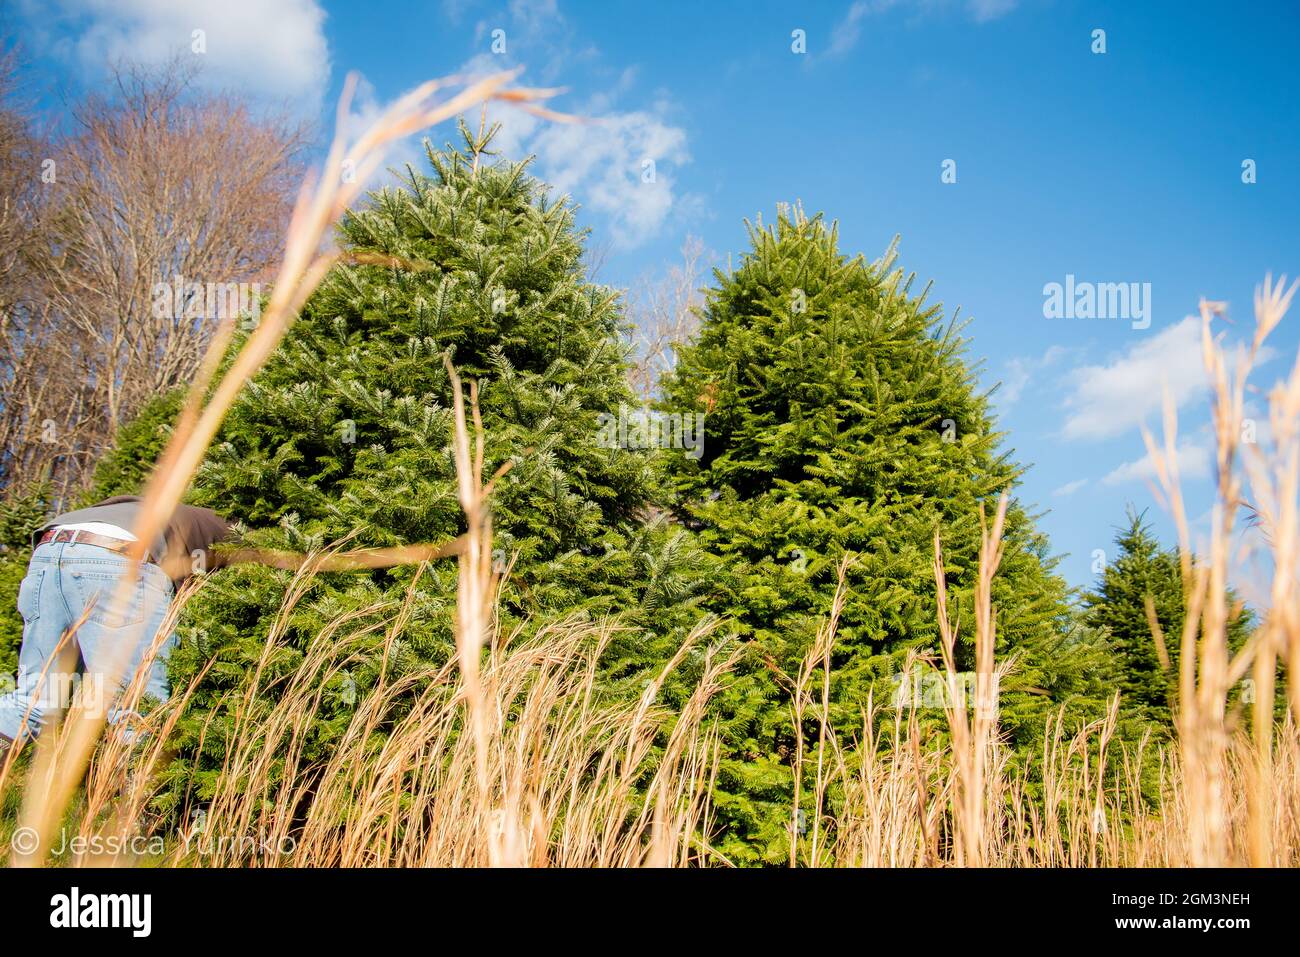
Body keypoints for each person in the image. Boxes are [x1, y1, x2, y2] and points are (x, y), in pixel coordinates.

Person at [0, 495, 231, 756]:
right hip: (122, 557)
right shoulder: (242, 534)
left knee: (35, 701)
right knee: (138, 708)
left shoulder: (157, 510)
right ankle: (134, 795)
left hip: (49, 548)